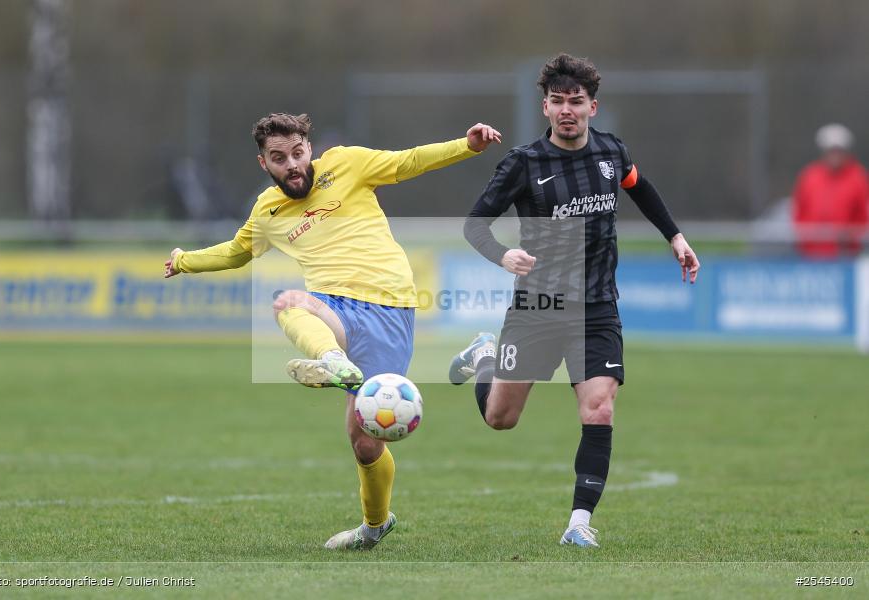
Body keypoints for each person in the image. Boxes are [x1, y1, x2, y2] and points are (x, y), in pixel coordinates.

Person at [164, 113, 501, 550]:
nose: (292, 165)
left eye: (298, 153)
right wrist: (184, 260)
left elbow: (409, 162)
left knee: (364, 443)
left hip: (387, 309)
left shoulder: (347, 164)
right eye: (279, 158)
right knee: (287, 302)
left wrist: (467, 145)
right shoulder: (267, 210)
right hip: (334, 311)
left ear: (310, 148)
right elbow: (235, 253)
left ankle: (374, 526)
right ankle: (332, 361)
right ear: (264, 163)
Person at [448, 54, 699, 548]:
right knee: (501, 419)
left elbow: (639, 189)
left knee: (599, 409)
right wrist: (503, 256)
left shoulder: (611, 153)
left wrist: (675, 236)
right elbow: (474, 224)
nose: (567, 110)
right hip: (537, 308)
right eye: (558, 101)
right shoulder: (523, 163)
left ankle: (578, 523)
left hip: (597, 305)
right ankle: (484, 357)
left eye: (576, 102)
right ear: (545, 107)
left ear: (592, 107)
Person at [792, 123, 869, 258]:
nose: (835, 155)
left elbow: (863, 215)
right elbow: (799, 212)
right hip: (812, 255)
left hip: (846, 256)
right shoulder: (810, 176)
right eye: (831, 151)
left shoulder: (858, 178)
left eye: (838, 150)